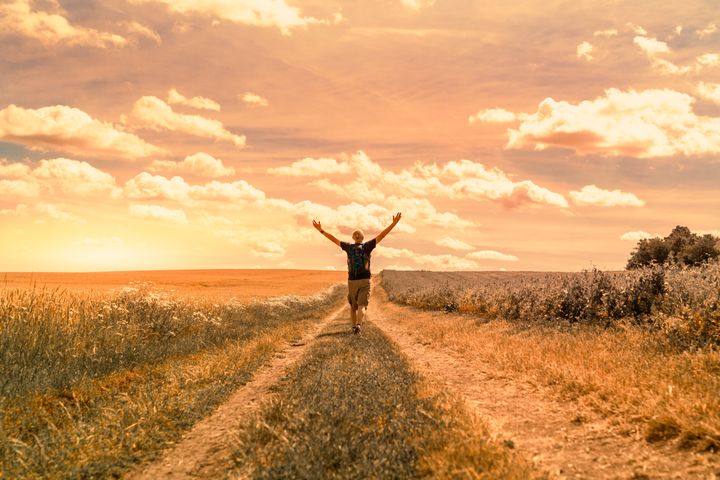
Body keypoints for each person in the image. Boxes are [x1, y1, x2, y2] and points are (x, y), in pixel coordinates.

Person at [313, 212, 402, 334]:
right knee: (362, 305)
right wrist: (394, 223)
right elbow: (382, 235)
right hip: (365, 280)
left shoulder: (348, 247)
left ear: (353, 238)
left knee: (353, 306)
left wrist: (321, 230)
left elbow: (334, 239)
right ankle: (359, 325)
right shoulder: (367, 246)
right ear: (363, 238)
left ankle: (353, 327)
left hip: (352, 280)